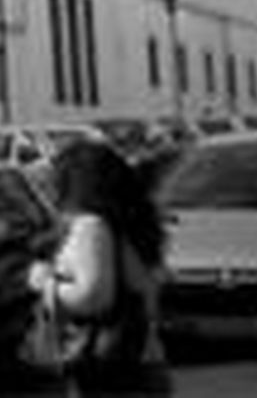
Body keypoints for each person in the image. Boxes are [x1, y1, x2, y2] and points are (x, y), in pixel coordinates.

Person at [27, 138, 171, 396]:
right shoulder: (133, 224)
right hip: (144, 359)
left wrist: (44, 284)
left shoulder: (92, 226)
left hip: (108, 366)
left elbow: (94, 297)